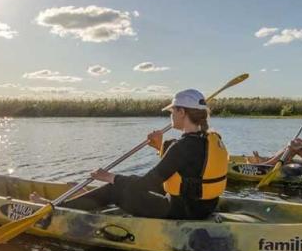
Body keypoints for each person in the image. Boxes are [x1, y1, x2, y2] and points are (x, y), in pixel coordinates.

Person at [31, 89, 229, 220]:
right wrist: (160, 146)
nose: (170, 116)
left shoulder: (181, 147)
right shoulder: (209, 139)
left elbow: (146, 183)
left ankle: (58, 209)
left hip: (181, 211)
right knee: (127, 184)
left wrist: (109, 177)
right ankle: (88, 199)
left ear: (181, 112)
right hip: (204, 207)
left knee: (114, 189)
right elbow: (187, 168)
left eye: (172, 111)